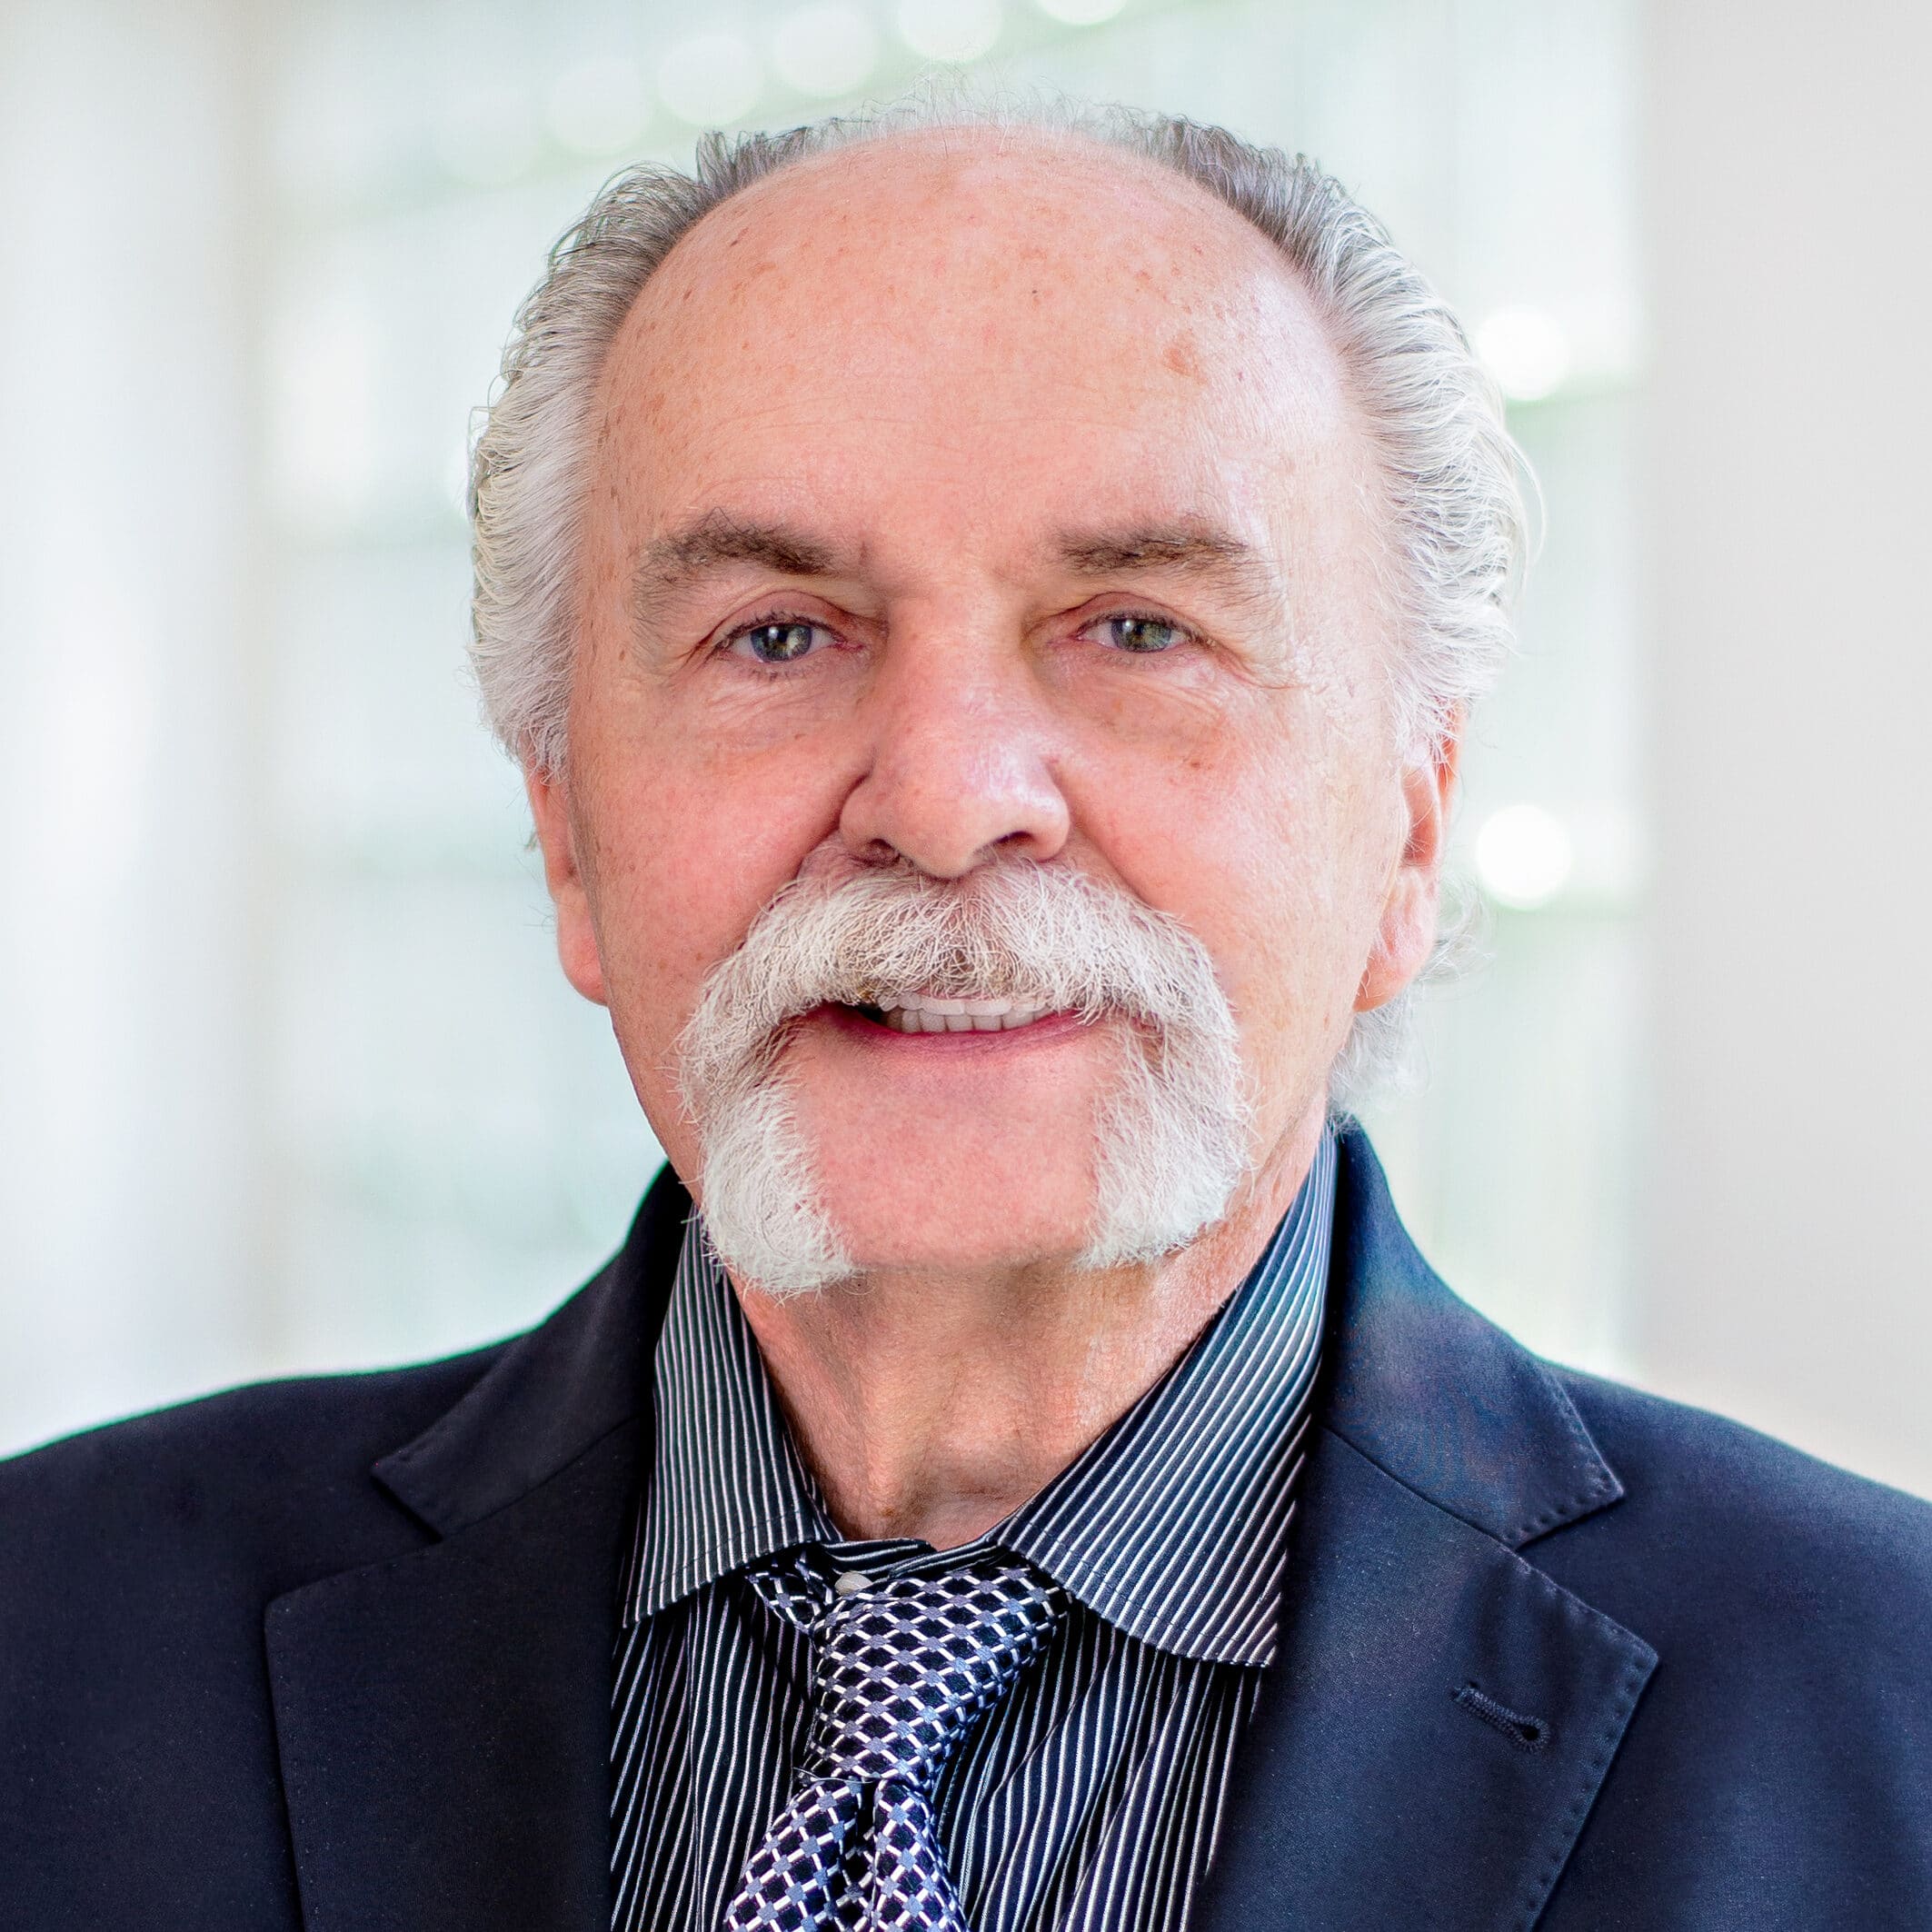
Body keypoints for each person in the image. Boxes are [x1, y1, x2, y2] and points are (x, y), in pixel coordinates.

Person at [4, 100, 1929, 1932]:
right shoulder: (49, 1645)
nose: (940, 799)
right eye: (776, 633)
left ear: (1407, 826)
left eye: (1136, 628)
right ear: (566, 831)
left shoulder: (1886, 1726)